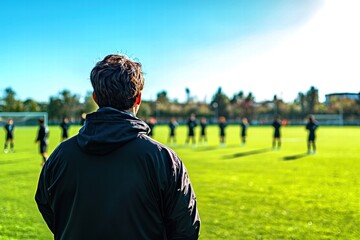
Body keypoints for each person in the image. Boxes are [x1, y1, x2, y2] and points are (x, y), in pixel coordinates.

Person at [35, 54, 200, 239]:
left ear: (95, 98)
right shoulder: (164, 159)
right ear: (138, 99)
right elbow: (185, 229)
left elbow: (48, 208)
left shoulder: (60, 156)